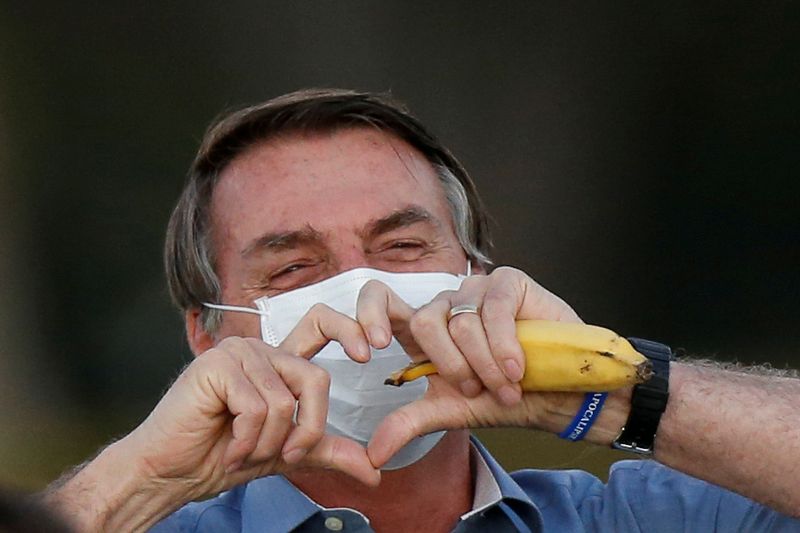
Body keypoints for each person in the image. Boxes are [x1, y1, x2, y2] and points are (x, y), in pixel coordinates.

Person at [41, 89, 800, 532]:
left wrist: (616, 394)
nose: (366, 296)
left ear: (478, 276)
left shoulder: (642, 520)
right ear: (207, 334)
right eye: (295, 265)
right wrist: (135, 480)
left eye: (402, 246)